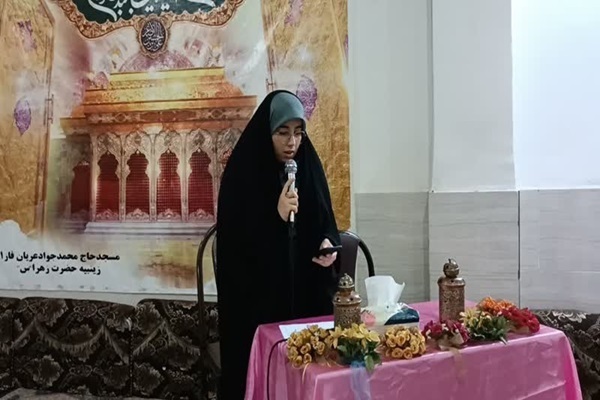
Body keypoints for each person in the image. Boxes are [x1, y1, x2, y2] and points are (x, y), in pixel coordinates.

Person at [216, 90, 340, 399]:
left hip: (305, 288)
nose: (292, 142)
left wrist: (328, 242)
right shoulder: (244, 173)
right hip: (258, 296)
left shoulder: (307, 164)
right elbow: (235, 246)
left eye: (298, 132)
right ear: (267, 131)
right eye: (282, 132)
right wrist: (276, 217)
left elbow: (325, 220)